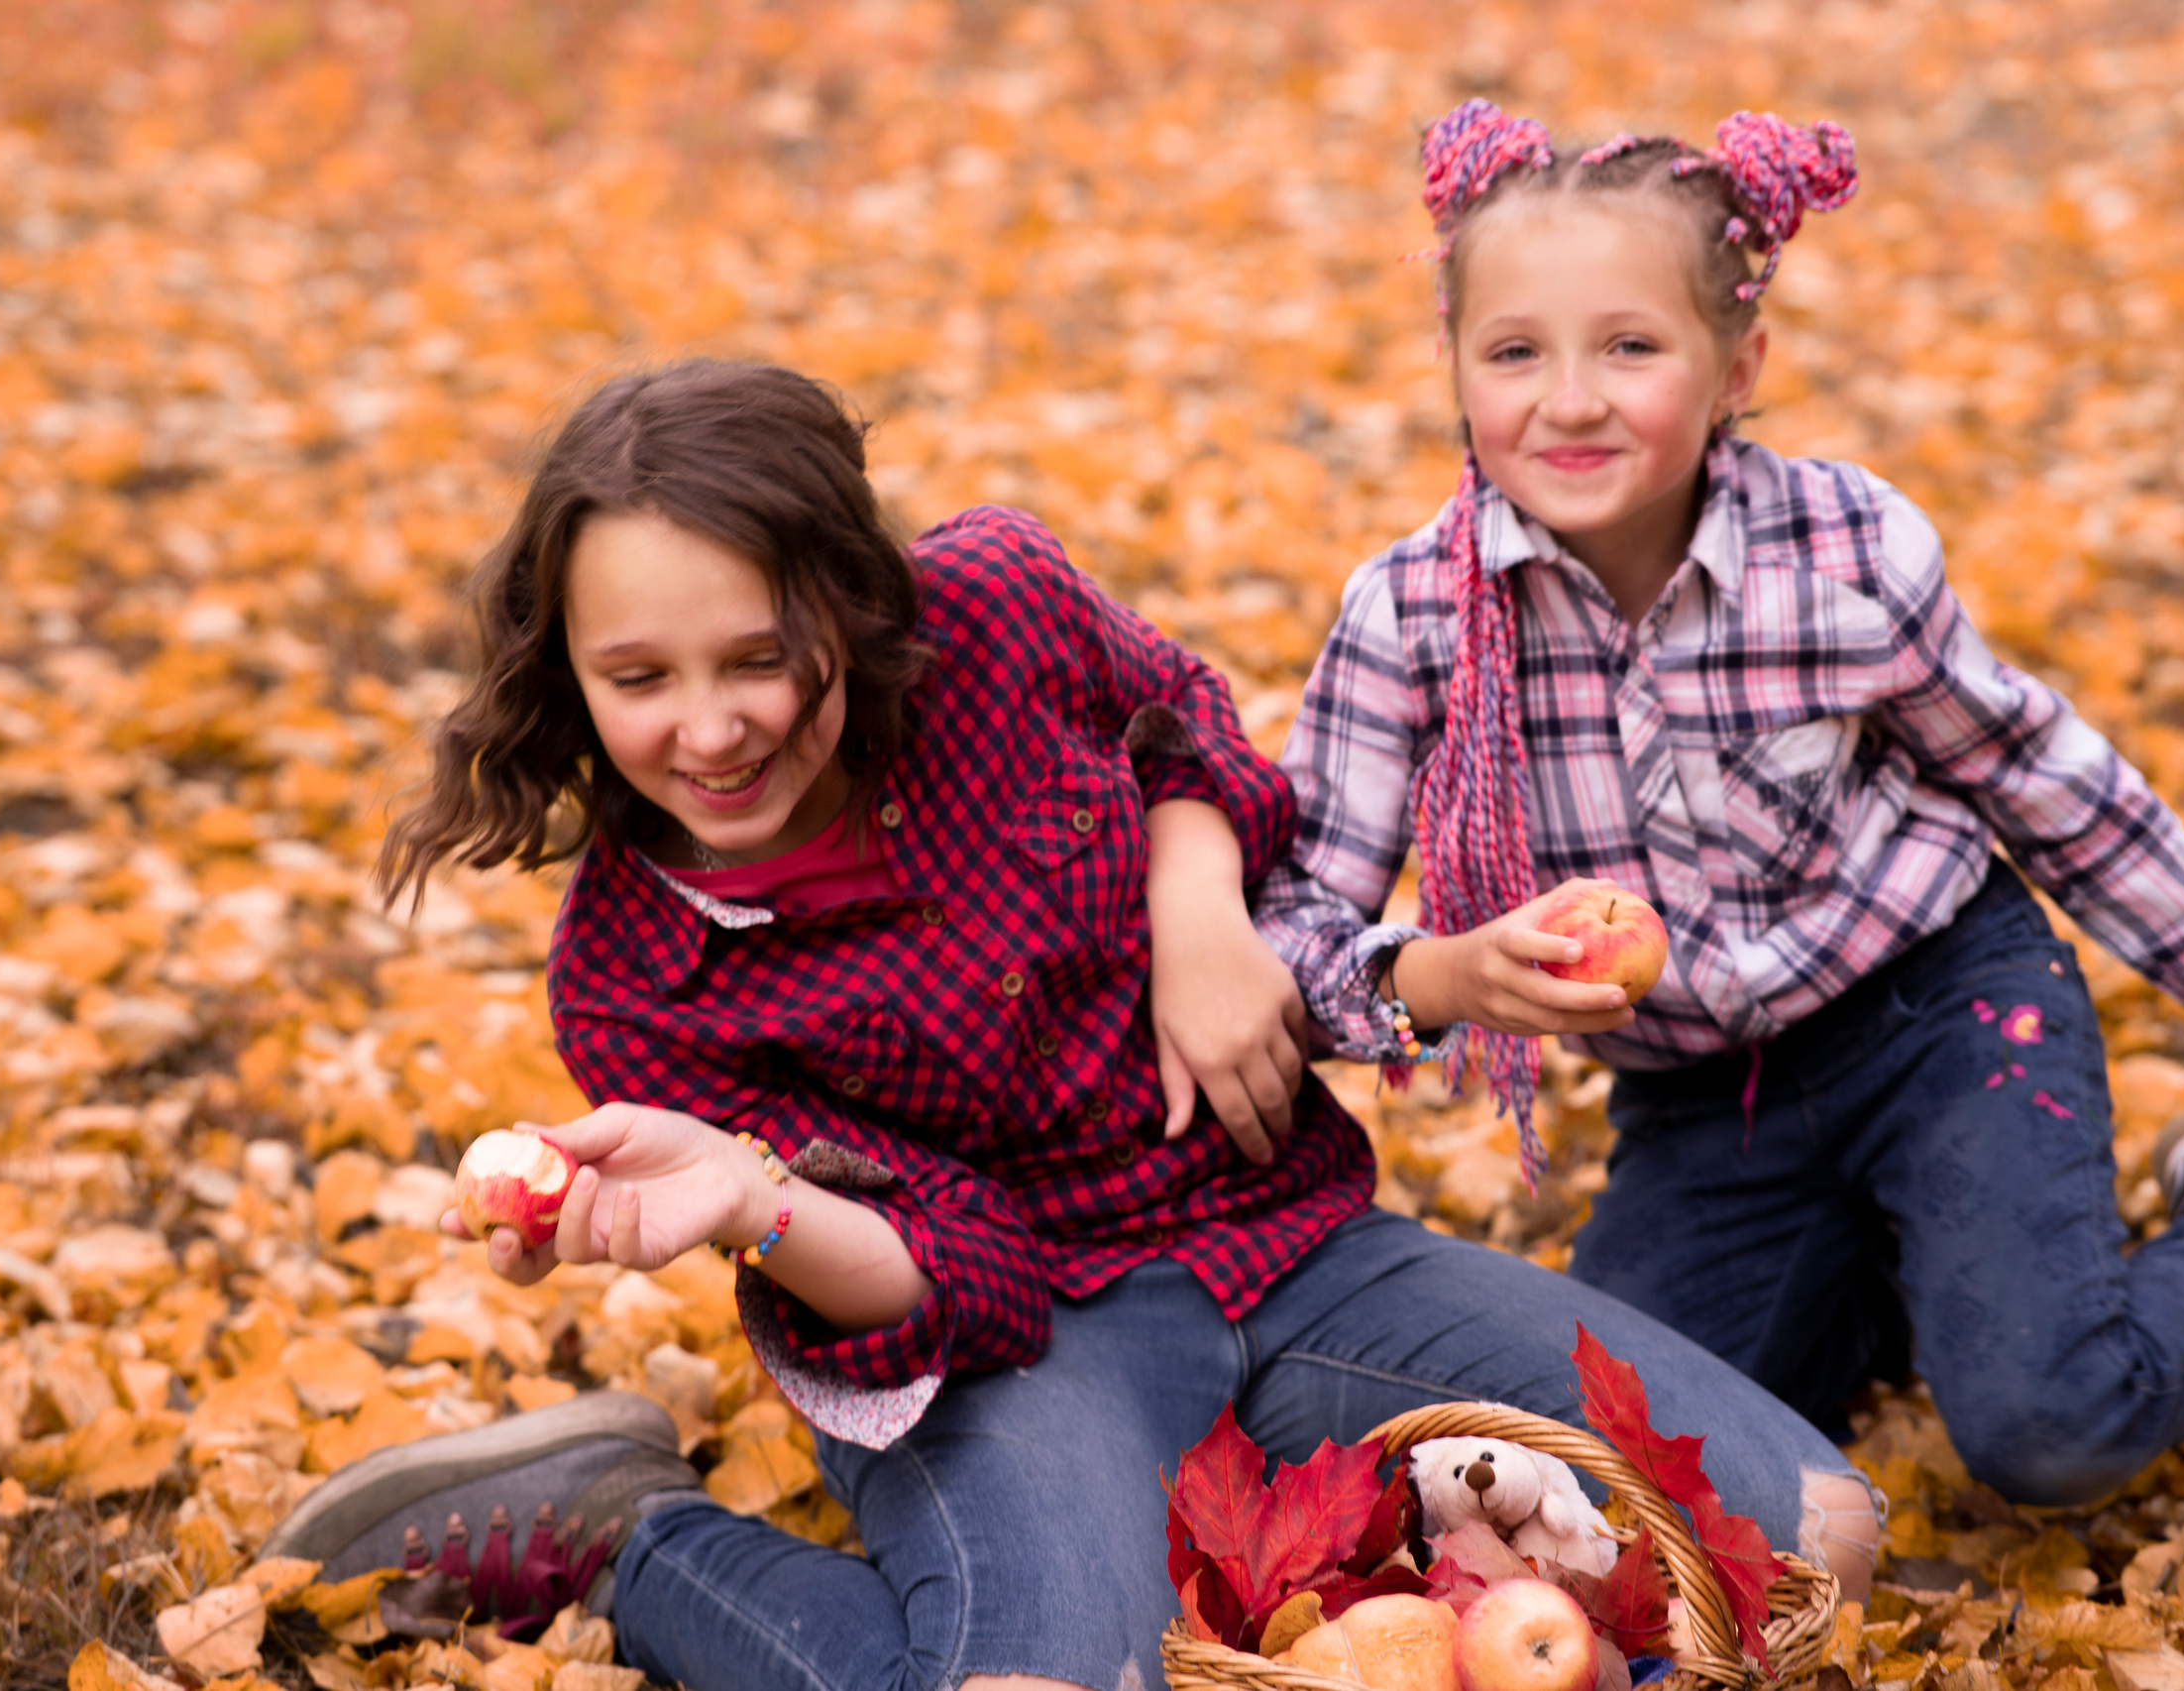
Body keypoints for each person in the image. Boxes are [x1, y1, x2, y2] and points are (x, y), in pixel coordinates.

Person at [263, 359, 1879, 1691]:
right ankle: (636, 1537)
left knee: (1817, 1538)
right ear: (573, 676)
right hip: (1017, 1350)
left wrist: (1198, 910)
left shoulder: (999, 608)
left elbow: (1181, 724)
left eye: (763, 655)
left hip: (1278, 1236)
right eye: (640, 678)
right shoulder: (637, 970)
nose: (711, 725)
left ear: (855, 600)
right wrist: (755, 1201)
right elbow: (967, 1276)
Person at [1256, 97, 2184, 1508]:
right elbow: (1290, 919)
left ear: (1738, 366)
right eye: (1514, 352)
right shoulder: (1414, 613)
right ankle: (1885, 1270)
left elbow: (2038, 773)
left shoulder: (1840, 552)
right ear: (1456, 369)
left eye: (1631, 345)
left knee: (2048, 1423)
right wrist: (1440, 970)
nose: (1570, 398)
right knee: (1628, 1466)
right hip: (1703, 1102)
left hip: (1942, 1010)